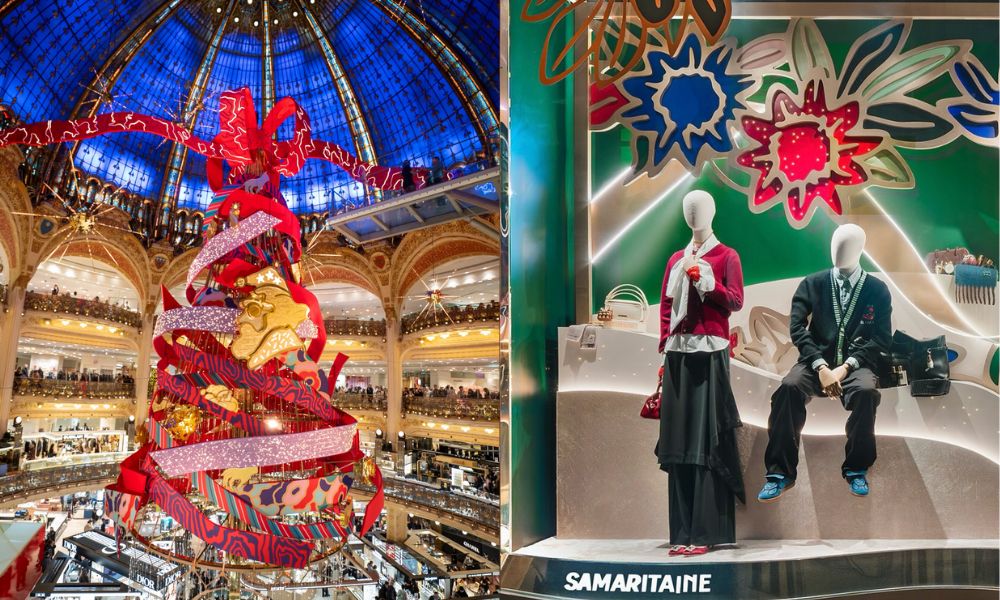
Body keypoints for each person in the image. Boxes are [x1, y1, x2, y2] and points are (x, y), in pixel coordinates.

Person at [758, 224, 892, 501]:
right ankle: (780, 473)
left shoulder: (877, 290)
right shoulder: (813, 283)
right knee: (788, 388)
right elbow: (797, 328)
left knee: (867, 393)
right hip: (814, 362)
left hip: (856, 365)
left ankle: (856, 468)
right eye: (836, 244)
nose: (839, 251)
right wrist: (820, 365)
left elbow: (881, 338)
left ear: (860, 250)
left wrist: (846, 367)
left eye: (847, 245)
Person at [656, 191, 745, 557]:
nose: (693, 214)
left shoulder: (727, 256)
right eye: (688, 209)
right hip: (678, 355)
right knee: (679, 447)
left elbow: (736, 301)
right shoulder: (676, 258)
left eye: (700, 208)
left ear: (712, 211)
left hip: (710, 354)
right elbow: (665, 306)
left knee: (705, 443)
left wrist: (709, 284)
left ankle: (707, 532)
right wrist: (663, 350)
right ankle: (681, 531)